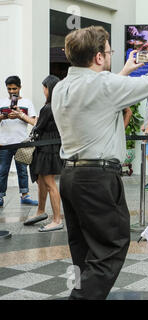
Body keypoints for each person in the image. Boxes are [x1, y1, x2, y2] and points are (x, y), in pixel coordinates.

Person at [52, 26, 148, 300]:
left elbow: (96, 94)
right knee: (111, 246)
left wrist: (124, 72)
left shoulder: (61, 87)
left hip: (69, 176)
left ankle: (82, 291)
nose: (110, 56)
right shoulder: (104, 85)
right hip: (98, 178)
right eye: (108, 52)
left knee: (82, 249)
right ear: (99, 57)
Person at [21, 75, 64, 232]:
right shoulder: (59, 106)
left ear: (49, 89)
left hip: (46, 148)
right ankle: (40, 211)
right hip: (52, 147)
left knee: (50, 183)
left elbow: (38, 127)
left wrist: (25, 117)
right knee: (41, 180)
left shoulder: (48, 108)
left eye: (44, 88)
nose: (43, 91)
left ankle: (57, 219)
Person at [0, 76, 39, 208]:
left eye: (14, 88)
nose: (12, 91)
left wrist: (20, 115)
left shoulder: (27, 102)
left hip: (21, 142)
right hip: (4, 143)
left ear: (20, 87)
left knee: (22, 170)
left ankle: (25, 195)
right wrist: (2, 116)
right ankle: (0, 196)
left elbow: (34, 122)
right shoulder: (1, 102)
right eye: (9, 89)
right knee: (2, 170)